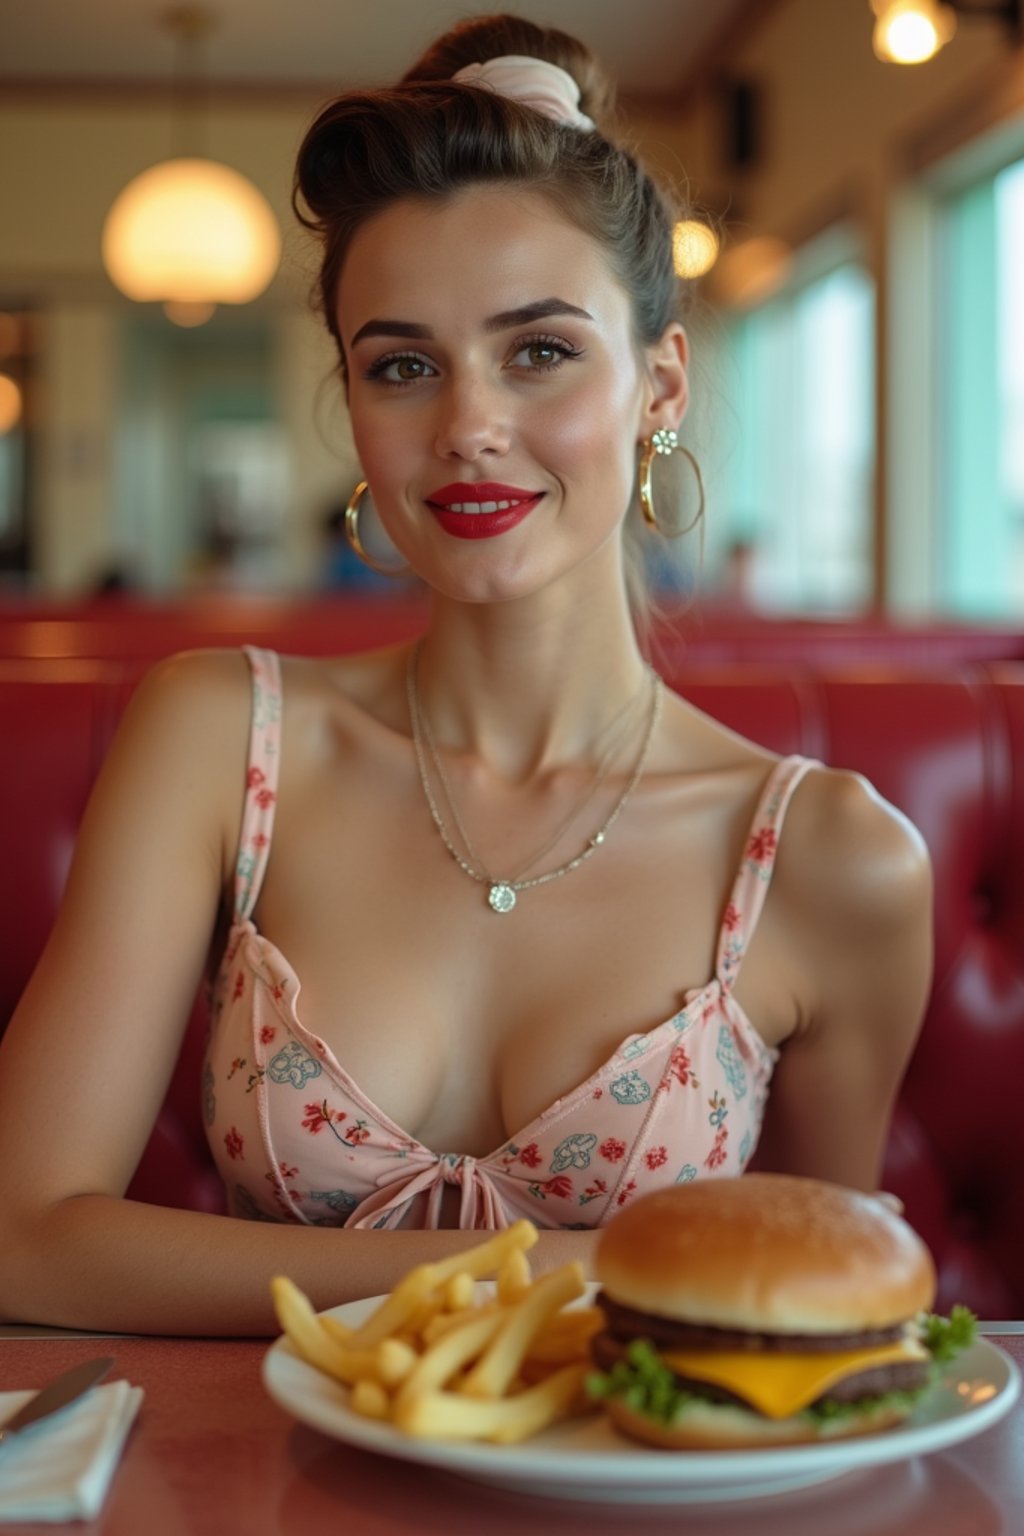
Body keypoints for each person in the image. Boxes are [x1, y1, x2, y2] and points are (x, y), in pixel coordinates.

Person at [0, 14, 932, 1337]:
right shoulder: (219, 738)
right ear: (353, 402)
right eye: (403, 366)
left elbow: (811, 1322)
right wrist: (564, 1270)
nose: (468, 428)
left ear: (659, 383)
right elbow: (24, 1241)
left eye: (539, 350)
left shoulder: (833, 860)